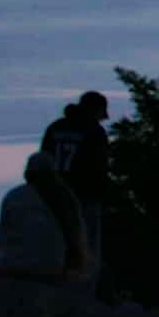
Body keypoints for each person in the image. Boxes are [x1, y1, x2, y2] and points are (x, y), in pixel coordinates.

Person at [37, 91, 111, 276]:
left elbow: (44, 160)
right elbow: (99, 167)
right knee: (88, 249)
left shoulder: (55, 128)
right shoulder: (94, 131)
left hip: (54, 199)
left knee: (57, 247)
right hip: (84, 198)